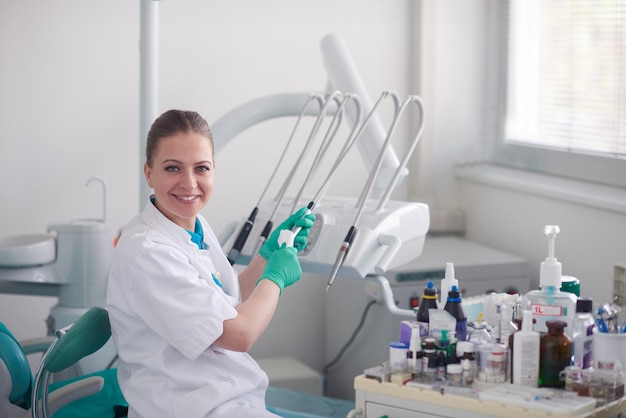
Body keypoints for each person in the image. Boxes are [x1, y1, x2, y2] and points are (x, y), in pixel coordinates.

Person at [106, 109, 315, 418]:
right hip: (191, 407)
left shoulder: (191, 224)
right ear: (149, 173)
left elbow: (225, 305)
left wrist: (266, 256)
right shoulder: (148, 252)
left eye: (201, 168)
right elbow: (239, 334)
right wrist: (275, 277)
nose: (189, 183)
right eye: (173, 168)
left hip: (226, 398)